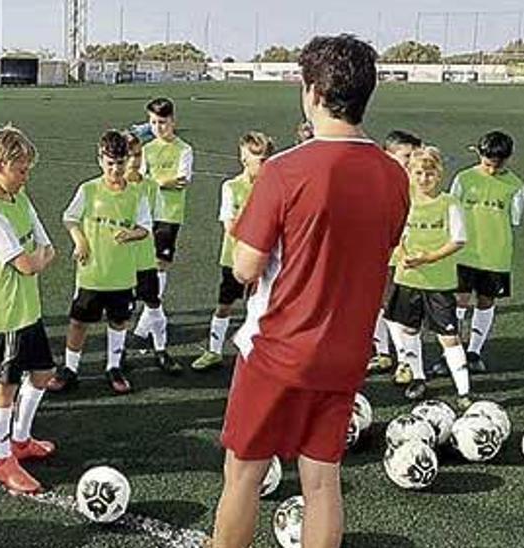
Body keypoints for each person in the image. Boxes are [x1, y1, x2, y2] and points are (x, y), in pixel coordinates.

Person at [211, 34, 408, 548]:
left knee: (243, 474)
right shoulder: (394, 176)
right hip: (345, 352)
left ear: (312, 91)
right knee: (321, 481)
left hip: (278, 349)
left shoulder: (283, 170)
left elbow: (244, 267)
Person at [0, 125, 58, 493]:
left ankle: (20, 439)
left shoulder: (18, 200)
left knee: (43, 373)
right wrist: (36, 258)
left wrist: (37, 258)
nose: (26, 177)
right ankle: (1, 459)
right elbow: (28, 263)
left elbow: (48, 247)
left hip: (28, 308)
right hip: (4, 314)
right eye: (21, 169)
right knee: (4, 387)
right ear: (1, 165)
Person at [48, 130, 152, 395]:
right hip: (91, 274)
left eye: (120, 162)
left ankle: (113, 367)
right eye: (110, 163)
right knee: (78, 323)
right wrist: (79, 240)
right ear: (100, 160)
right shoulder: (88, 190)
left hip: (122, 276)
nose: (115, 169)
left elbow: (144, 228)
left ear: (128, 160)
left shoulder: (136, 195)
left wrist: (131, 234)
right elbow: (69, 218)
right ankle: (70, 369)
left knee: (118, 322)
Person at [383, 147, 473, 405]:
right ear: (410, 174)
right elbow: (394, 231)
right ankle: (418, 378)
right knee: (409, 329)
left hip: (438, 282)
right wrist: (401, 254)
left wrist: (427, 258)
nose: (424, 178)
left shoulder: (449, 203)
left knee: (449, 336)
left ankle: (464, 391)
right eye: (419, 173)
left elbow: (458, 240)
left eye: (430, 173)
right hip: (407, 279)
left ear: (439, 174)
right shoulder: (403, 200)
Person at [191, 132, 274, 371]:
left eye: (268, 159)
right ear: (244, 159)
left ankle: (257, 354)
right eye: (260, 160)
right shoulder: (231, 187)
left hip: (264, 261)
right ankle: (214, 350)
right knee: (224, 304)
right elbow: (230, 226)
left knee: (260, 307)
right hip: (235, 258)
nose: (265, 164)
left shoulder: (272, 187)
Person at [447, 130, 524, 373]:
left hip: (496, 256)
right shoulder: (464, 179)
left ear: (508, 158)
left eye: (498, 165)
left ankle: (474, 351)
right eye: (487, 163)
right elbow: (451, 211)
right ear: (479, 154)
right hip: (463, 253)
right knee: (458, 300)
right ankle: (453, 350)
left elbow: (515, 218)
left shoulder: (516, 185)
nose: (492, 169)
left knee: (485, 301)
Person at [133, 98, 193, 371]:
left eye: (163, 122)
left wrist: (157, 181)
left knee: (160, 263)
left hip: (169, 214)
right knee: (144, 263)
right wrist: (162, 181)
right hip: (147, 214)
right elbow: (141, 178)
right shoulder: (147, 149)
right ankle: (149, 314)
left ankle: (148, 317)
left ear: (173, 121)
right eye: (154, 123)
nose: (158, 128)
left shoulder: (184, 149)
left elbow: (182, 180)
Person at [374, 130, 422, 380]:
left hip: (404, 260)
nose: (413, 161)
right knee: (378, 307)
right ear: (388, 156)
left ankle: (407, 362)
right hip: (378, 256)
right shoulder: (377, 184)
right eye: (407, 155)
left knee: (397, 313)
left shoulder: (418, 186)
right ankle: (383, 353)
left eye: (416, 154)